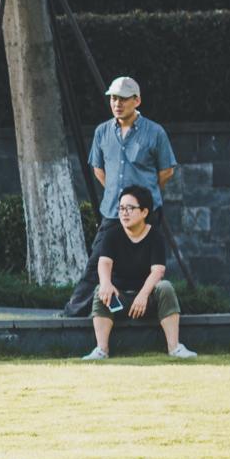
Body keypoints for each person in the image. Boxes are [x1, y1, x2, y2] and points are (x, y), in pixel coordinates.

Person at [81, 185, 197, 361]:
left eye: (130, 208)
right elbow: (104, 263)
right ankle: (101, 350)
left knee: (165, 287)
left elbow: (158, 271)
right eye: (121, 208)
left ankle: (175, 348)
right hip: (119, 300)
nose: (124, 213)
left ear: (144, 212)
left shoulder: (155, 237)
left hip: (147, 301)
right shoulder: (112, 235)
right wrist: (106, 283)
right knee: (100, 290)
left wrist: (143, 294)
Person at [90, 76, 177, 219]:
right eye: (114, 98)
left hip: (145, 213)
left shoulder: (155, 132)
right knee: (101, 243)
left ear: (137, 101)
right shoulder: (101, 132)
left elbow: (167, 171)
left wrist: (146, 193)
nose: (117, 104)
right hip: (113, 212)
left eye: (123, 99)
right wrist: (116, 192)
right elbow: (98, 169)